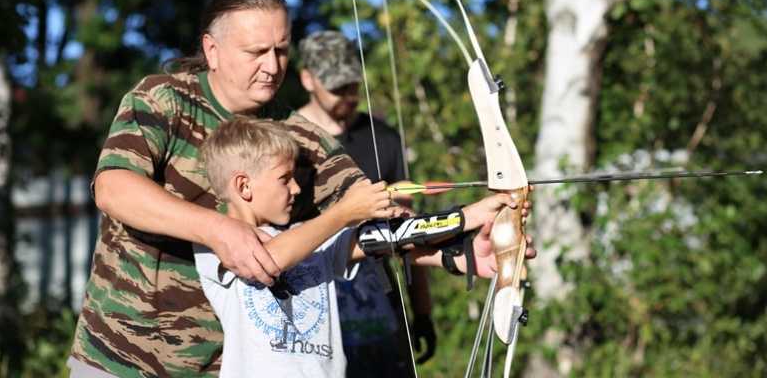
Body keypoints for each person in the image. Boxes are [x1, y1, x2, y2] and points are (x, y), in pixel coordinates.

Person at [67, 0, 370, 377]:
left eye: (281, 50)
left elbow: (369, 210)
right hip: (121, 358)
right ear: (212, 50)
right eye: (256, 52)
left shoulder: (302, 137)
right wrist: (218, 229)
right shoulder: (162, 100)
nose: (273, 66)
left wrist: (456, 237)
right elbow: (114, 188)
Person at [194, 117, 522, 378]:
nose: (296, 188)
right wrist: (345, 211)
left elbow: (392, 236)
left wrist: (472, 215)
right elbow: (270, 259)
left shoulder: (310, 235)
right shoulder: (214, 245)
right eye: (284, 178)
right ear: (243, 185)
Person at [296, 30, 433, 375]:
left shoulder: (383, 138)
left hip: (380, 302)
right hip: (313, 303)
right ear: (308, 79)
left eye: (353, 85)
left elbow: (408, 230)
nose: (349, 96)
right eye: (337, 87)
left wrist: (423, 312)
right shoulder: (284, 139)